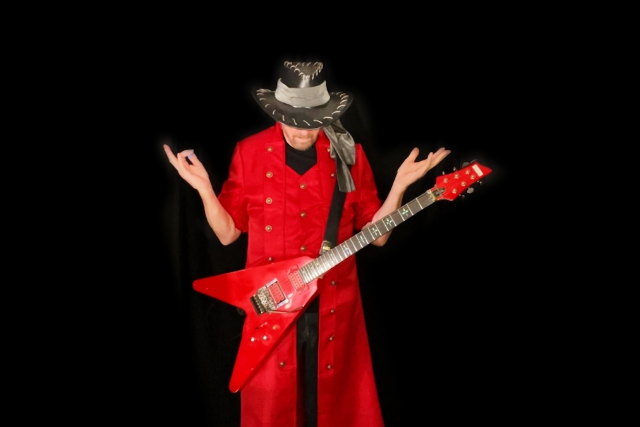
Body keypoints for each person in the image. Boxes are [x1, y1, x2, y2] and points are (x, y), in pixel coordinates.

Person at [164, 61, 450, 427]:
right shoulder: (249, 153)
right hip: (272, 314)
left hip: (336, 311)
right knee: (274, 412)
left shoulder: (348, 154)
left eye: (311, 121)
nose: (302, 131)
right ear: (277, 113)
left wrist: (399, 186)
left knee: (336, 411)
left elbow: (378, 236)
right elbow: (228, 233)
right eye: (293, 121)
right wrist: (205, 189)